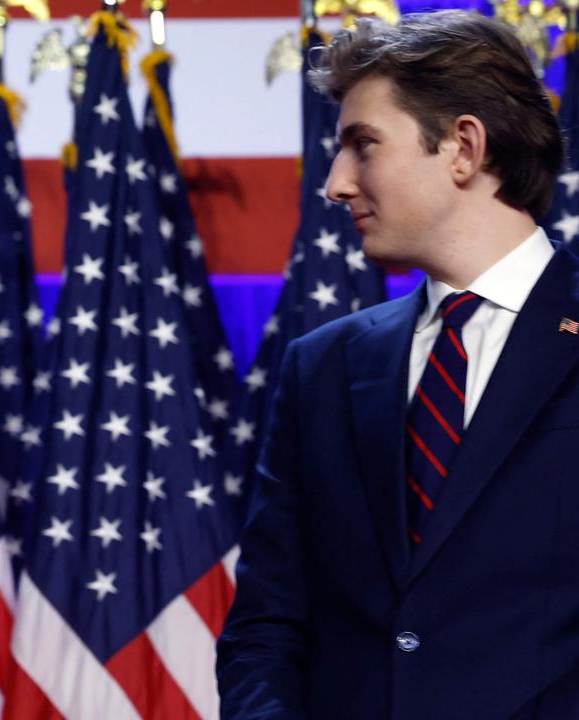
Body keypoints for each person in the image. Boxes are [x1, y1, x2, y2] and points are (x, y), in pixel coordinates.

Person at [217, 10, 579, 719]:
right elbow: (267, 625)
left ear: (464, 148)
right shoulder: (320, 366)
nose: (335, 184)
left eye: (364, 145)